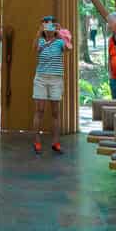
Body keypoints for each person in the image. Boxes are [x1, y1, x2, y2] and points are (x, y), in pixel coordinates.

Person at [32, 14, 71, 155]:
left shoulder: (60, 41)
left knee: (55, 112)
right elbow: (35, 49)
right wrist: (39, 32)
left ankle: (56, 142)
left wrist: (60, 33)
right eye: (46, 24)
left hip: (56, 79)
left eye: (51, 24)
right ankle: (36, 140)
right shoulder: (41, 40)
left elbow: (69, 48)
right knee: (40, 110)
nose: (49, 27)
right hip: (41, 78)